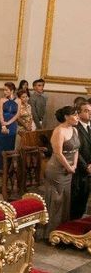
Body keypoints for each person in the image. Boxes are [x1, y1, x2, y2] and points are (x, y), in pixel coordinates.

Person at [38, 106, 79, 240]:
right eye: (75, 114)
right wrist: (68, 167)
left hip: (69, 169)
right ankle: (50, 232)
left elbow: (76, 149)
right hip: (56, 170)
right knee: (57, 200)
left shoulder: (74, 130)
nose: (77, 117)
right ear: (66, 117)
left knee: (66, 199)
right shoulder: (59, 131)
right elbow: (58, 153)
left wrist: (74, 165)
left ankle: (62, 232)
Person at [0, 82, 20, 173]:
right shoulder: (2, 100)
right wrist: (3, 125)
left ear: (12, 90)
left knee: (9, 146)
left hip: (12, 125)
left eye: (6, 90)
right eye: (4, 89)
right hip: (1, 125)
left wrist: (9, 123)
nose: (4, 91)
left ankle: (7, 169)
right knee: (0, 146)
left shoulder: (18, 100)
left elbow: (17, 114)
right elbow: (0, 113)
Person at [72, 101, 91, 219]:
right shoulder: (75, 128)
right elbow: (76, 150)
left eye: (90, 111)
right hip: (79, 169)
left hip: (89, 168)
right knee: (76, 200)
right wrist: (86, 166)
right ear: (78, 113)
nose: (90, 113)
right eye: (86, 111)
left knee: (85, 198)